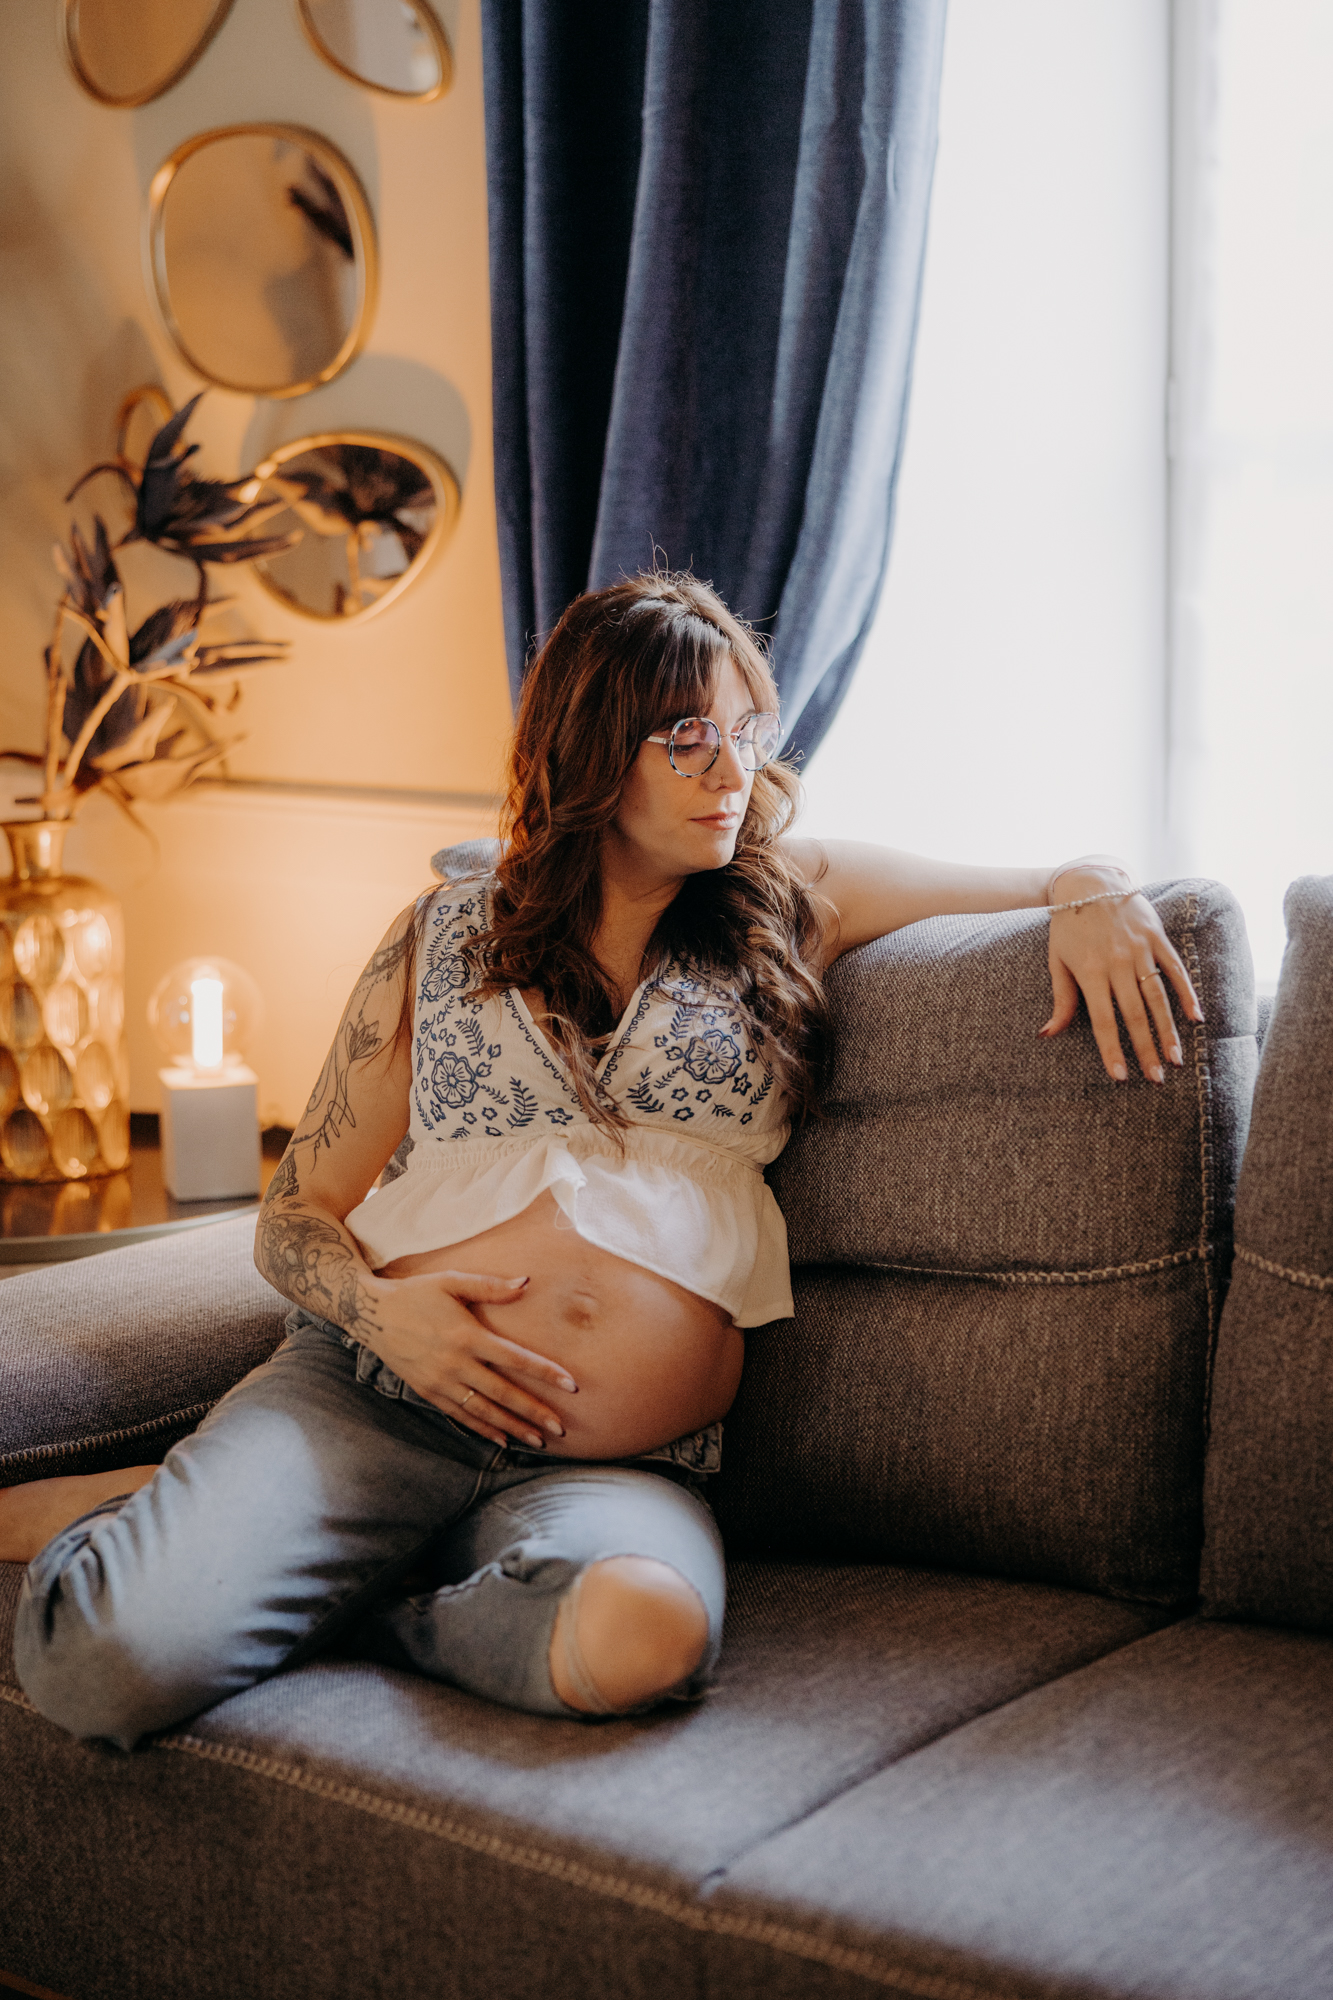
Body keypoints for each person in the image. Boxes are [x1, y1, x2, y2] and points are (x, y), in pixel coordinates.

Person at [5, 572, 1201, 1747]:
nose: (732, 772)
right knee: (102, 1661)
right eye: (687, 736)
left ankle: (352, 1588)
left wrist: (1091, 884)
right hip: (375, 1402)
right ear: (591, 743)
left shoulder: (793, 901)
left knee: (645, 1638)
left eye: (745, 731)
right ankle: (253, 1536)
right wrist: (381, 1312)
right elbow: (294, 1208)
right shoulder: (441, 932)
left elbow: (1040, 878)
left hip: (619, 1465)